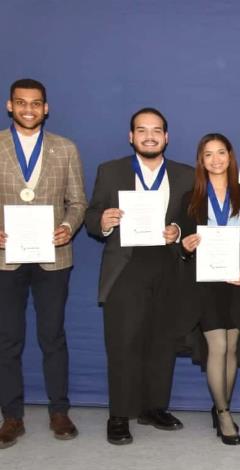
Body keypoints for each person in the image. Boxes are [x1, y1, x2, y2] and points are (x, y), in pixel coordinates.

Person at [85, 107, 193, 445]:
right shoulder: (112, 171)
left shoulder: (186, 175)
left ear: (166, 137)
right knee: (123, 343)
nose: (149, 136)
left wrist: (177, 230)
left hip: (168, 265)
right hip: (126, 266)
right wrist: (102, 221)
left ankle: (153, 407)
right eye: (142, 130)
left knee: (162, 342)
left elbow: (193, 222)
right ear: (131, 136)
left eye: (156, 130)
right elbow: (90, 215)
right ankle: (119, 415)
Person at [0, 78, 86, 448]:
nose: (29, 109)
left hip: (54, 258)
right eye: (21, 103)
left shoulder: (65, 149)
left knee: (53, 336)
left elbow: (78, 202)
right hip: (6, 258)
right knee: (7, 340)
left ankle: (58, 410)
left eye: (36, 103)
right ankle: (12, 416)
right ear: (10, 106)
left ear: (46, 108)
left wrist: (68, 227)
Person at [177, 133, 240, 445]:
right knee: (216, 345)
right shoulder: (191, 198)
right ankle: (225, 412)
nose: (216, 160)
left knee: (231, 344)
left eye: (221, 153)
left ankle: (219, 406)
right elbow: (182, 241)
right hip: (205, 282)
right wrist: (185, 246)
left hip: (238, 280)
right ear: (201, 160)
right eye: (208, 154)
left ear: (230, 157)